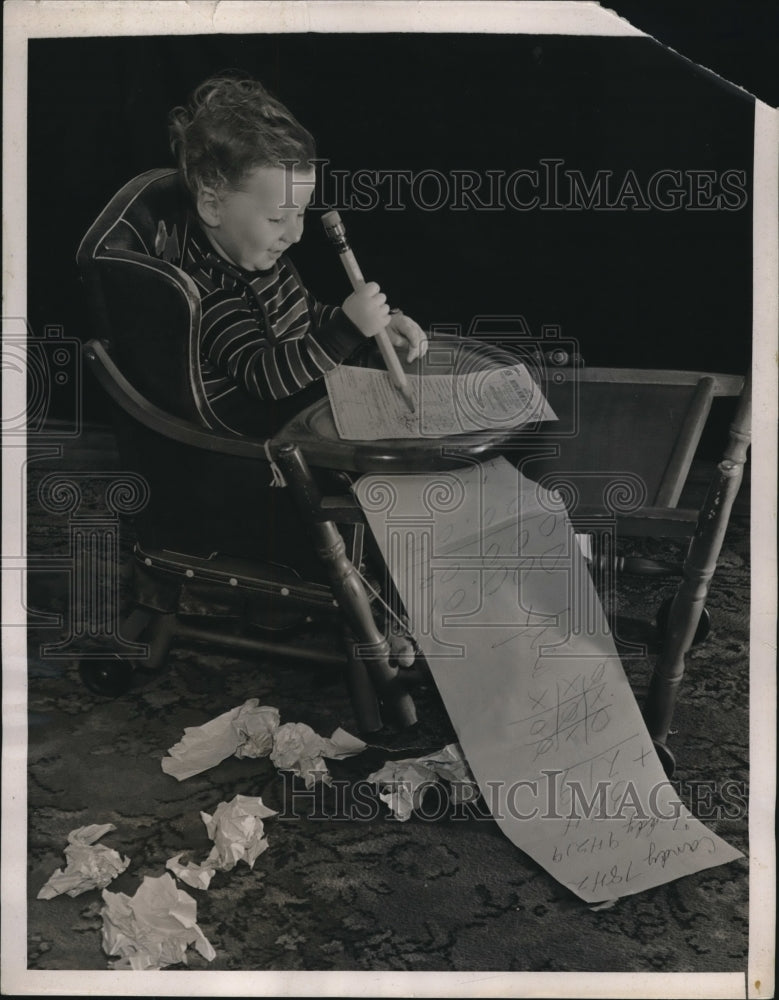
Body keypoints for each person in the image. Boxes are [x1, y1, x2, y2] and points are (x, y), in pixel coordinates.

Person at [168, 73, 428, 437]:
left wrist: (375, 328)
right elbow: (266, 377)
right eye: (277, 218)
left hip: (298, 406)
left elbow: (308, 317)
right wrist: (349, 329)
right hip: (254, 439)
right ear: (212, 206)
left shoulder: (261, 259)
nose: (295, 234)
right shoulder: (209, 291)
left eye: (301, 213)